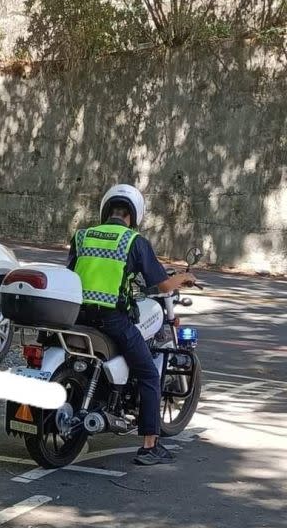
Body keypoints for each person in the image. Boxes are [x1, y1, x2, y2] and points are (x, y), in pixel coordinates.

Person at [67, 184, 195, 466]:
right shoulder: (132, 241)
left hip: (77, 317)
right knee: (149, 374)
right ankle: (150, 446)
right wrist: (184, 277)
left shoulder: (83, 236)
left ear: (106, 209)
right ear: (133, 215)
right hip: (112, 320)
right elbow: (161, 284)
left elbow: (71, 274)